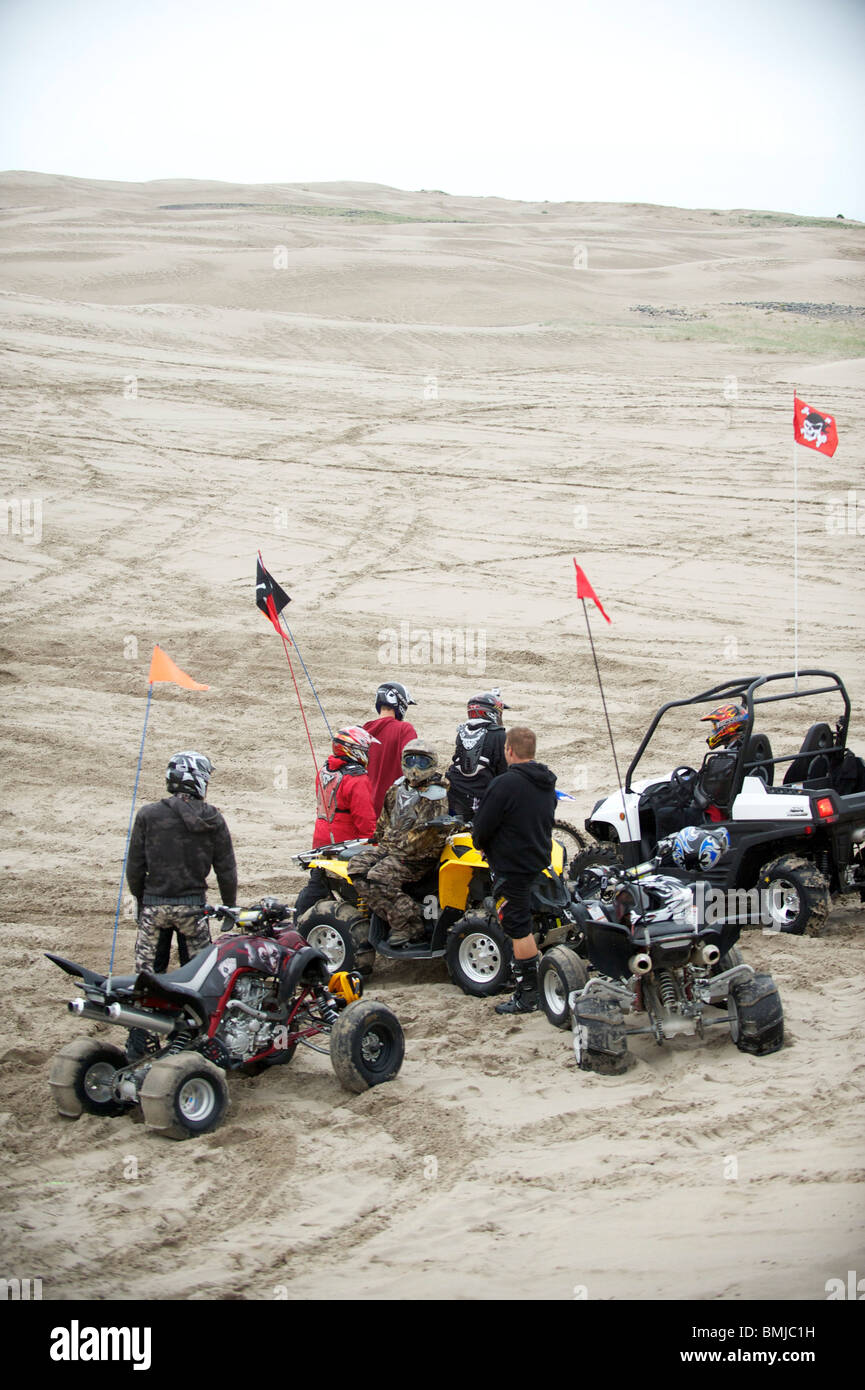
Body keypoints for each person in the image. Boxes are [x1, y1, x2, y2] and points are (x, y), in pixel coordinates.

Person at [470, 726, 557, 1015]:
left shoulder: (504, 784)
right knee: (527, 921)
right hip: (539, 860)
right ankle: (534, 986)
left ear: (509, 750)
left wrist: (481, 844)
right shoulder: (546, 782)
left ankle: (528, 995)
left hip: (512, 867)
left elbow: (482, 825)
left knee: (518, 927)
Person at [127, 751, 237, 975]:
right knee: (198, 978)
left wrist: (141, 901)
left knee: (148, 981)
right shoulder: (213, 818)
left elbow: (135, 867)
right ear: (199, 780)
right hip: (193, 909)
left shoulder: (148, 815)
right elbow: (226, 870)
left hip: (154, 907)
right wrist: (229, 906)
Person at [350, 738, 450, 947]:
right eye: (410, 760)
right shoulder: (397, 788)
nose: (415, 767)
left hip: (418, 859)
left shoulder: (435, 796)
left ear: (431, 764)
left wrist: (392, 849)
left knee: (379, 876)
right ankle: (399, 914)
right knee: (356, 867)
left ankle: (408, 923)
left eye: (421, 762)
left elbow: (423, 837)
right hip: (391, 849)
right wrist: (379, 841)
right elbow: (385, 819)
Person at [295, 726, 378, 919]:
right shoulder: (356, 778)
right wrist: (374, 843)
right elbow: (365, 820)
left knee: (318, 884)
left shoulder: (324, 770)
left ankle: (301, 919)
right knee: (361, 892)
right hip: (346, 843)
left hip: (321, 840)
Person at [446, 689, 510, 821]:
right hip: (479, 796)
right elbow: (503, 769)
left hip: (455, 791)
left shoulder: (463, 732)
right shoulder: (499, 735)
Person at [363, 680, 418, 816]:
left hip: (365, 804)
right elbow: (414, 767)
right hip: (393, 805)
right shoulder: (404, 729)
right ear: (400, 704)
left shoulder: (364, 730)